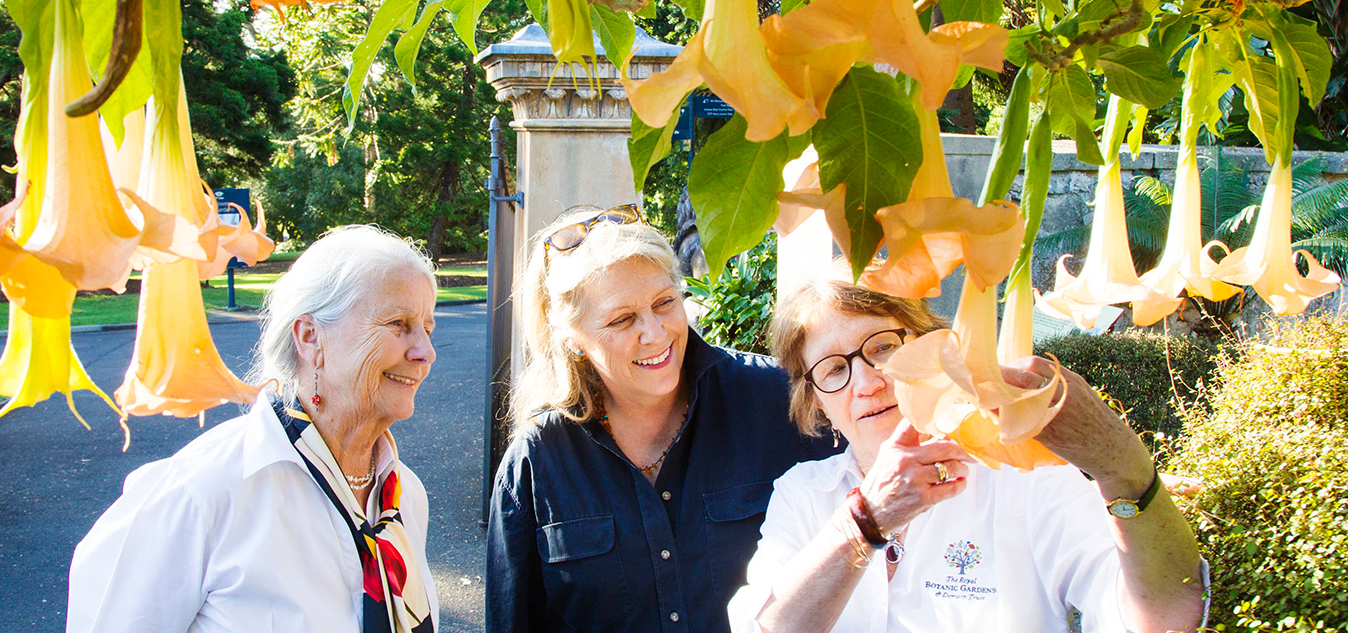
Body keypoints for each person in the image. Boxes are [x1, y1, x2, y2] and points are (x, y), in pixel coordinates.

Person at [726, 261, 1209, 632]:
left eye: (883, 347)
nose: (867, 383)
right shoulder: (804, 495)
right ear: (816, 402)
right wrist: (865, 521)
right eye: (833, 369)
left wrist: (1125, 468)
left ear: (937, 348)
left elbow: (1163, 618)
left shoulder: (1027, 478)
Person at [67, 225, 441, 633]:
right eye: (397, 323)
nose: (425, 352)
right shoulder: (202, 492)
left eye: (427, 327)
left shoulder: (407, 498)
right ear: (310, 337)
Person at [486, 205, 837, 632]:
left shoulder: (779, 402)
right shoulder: (536, 464)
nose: (655, 333)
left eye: (664, 303)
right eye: (622, 319)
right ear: (572, 337)